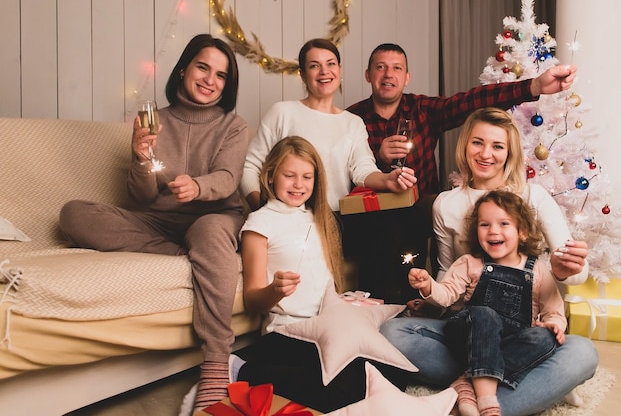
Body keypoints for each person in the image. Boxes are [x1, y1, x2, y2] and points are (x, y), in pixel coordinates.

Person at [58, 34, 248, 411]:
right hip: (161, 222)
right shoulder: (155, 121)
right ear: (182, 70)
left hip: (215, 216)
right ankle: (191, 253)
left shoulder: (233, 125)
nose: (211, 80)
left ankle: (214, 364)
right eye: (203, 67)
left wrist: (198, 186)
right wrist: (142, 157)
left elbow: (228, 178)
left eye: (221, 75)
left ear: (228, 85)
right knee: (72, 214)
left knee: (208, 232)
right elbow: (141, 198)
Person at [380, 107, 598, 416]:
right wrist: (430, 300)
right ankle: (520, 383)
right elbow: (446, 270)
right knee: (392, 333)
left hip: (520, 333)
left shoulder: (533, 197)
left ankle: (469, 391)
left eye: (497, 146)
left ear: (509, 153)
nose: (486, 154)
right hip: (467, 328)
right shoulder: (446, 203)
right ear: (465, 145)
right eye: (477, 143)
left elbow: (575, 273)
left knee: (582, 353)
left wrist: (564, 271)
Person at [347, 43, 578, 302]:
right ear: (368, 74)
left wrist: (533, 87)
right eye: (380, 67)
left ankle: (420, 300)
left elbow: (472, 101)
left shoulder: (423, 110)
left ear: (406, 77)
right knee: (383, 229)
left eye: (397, 68)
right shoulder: (353, 118)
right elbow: (346, 170)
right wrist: (377, 156)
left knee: (428, 208)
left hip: (420, 210)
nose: (388, 74)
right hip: (375, 216)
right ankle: (371, 303)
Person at [231, 136, 410, 412]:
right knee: (347, 388)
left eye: (306, 177)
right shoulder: (260, 222)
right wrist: (275, 290)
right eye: (289, 175)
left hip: (330, 327)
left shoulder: (320, 219)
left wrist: (351, 303)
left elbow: (324, 285)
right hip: (290, 332)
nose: (298, 184)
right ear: (270, 176)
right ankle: (244, 371)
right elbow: (254, 300)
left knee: (395, 373)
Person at [409, 190, 567, 416]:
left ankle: (466, 382)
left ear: (521, 232)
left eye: (504, 223)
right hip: (470, 335)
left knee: (545, 338)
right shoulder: (469, 263)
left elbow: (554, 312)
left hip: (510, 342)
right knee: (485, 314)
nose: (493, 230)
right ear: (476, 231)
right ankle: (486, 400)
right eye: (485, 225)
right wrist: (427, 285)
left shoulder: (538, 271)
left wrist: (555, 325)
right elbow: (446, 294)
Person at [239, 38, 417, 219]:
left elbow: (363, 169)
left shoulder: (353, 122)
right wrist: (263, 211)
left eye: (330, 64)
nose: (324, 71)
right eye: (314, 66)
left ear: (339, 70)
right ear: (302, 74)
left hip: (339, 219)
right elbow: (250, 167)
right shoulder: (282, 112)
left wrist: (388, 180)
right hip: (290, 217)